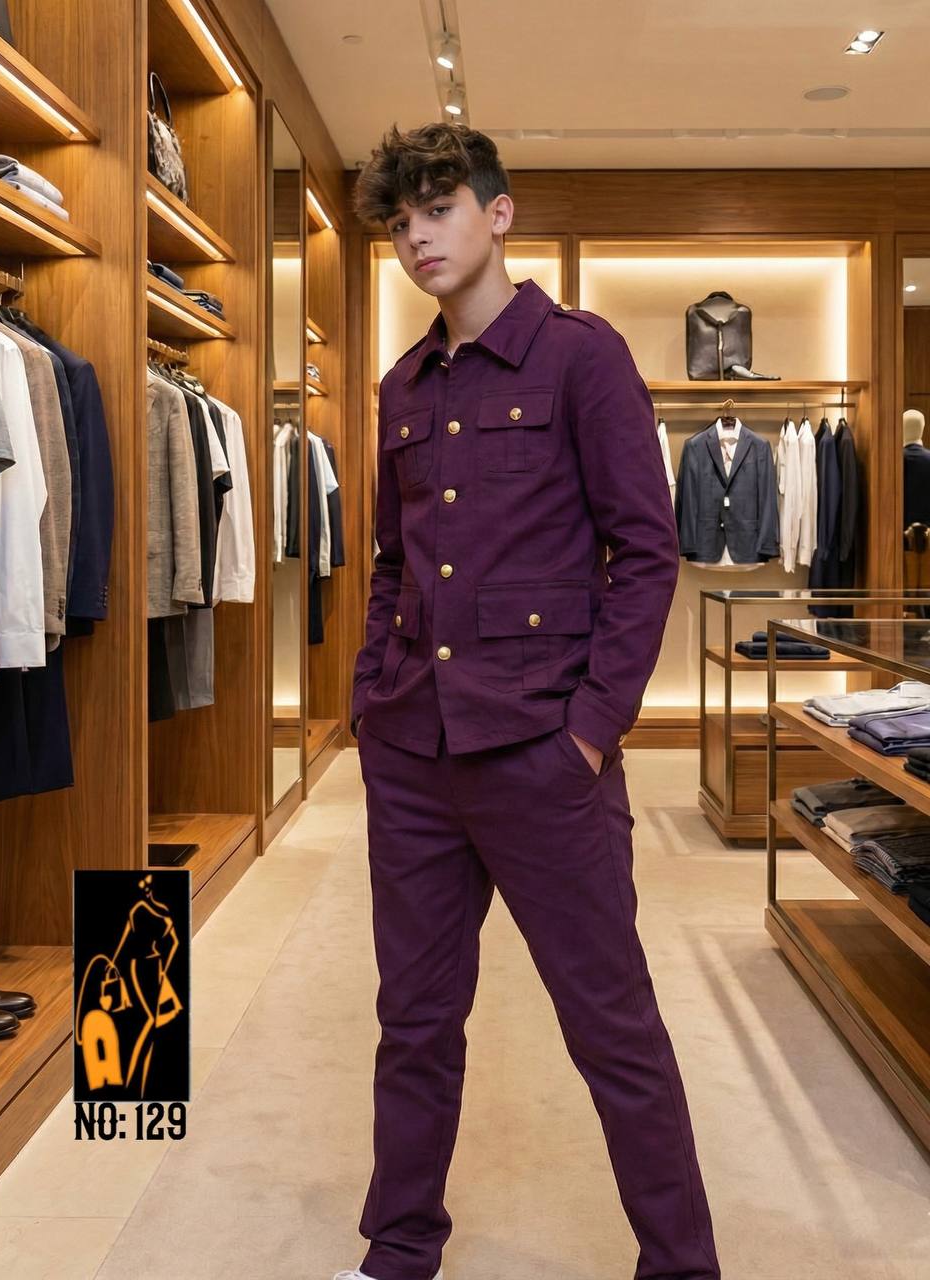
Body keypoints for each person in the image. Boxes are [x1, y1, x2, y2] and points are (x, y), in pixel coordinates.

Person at [339, 120, 720, 1280]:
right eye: (400, 223)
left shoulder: (581, 357)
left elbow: (644, 552)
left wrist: (591, 731)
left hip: (543, 752)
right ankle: (398, 1249)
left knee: (611, 1024)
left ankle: (682, 1265)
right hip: (413, 752)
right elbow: (393, 563)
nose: (417, 237)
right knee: (413, 1021)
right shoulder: (401, 385)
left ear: (497, 214)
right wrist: (368, 700)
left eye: (438, 209)